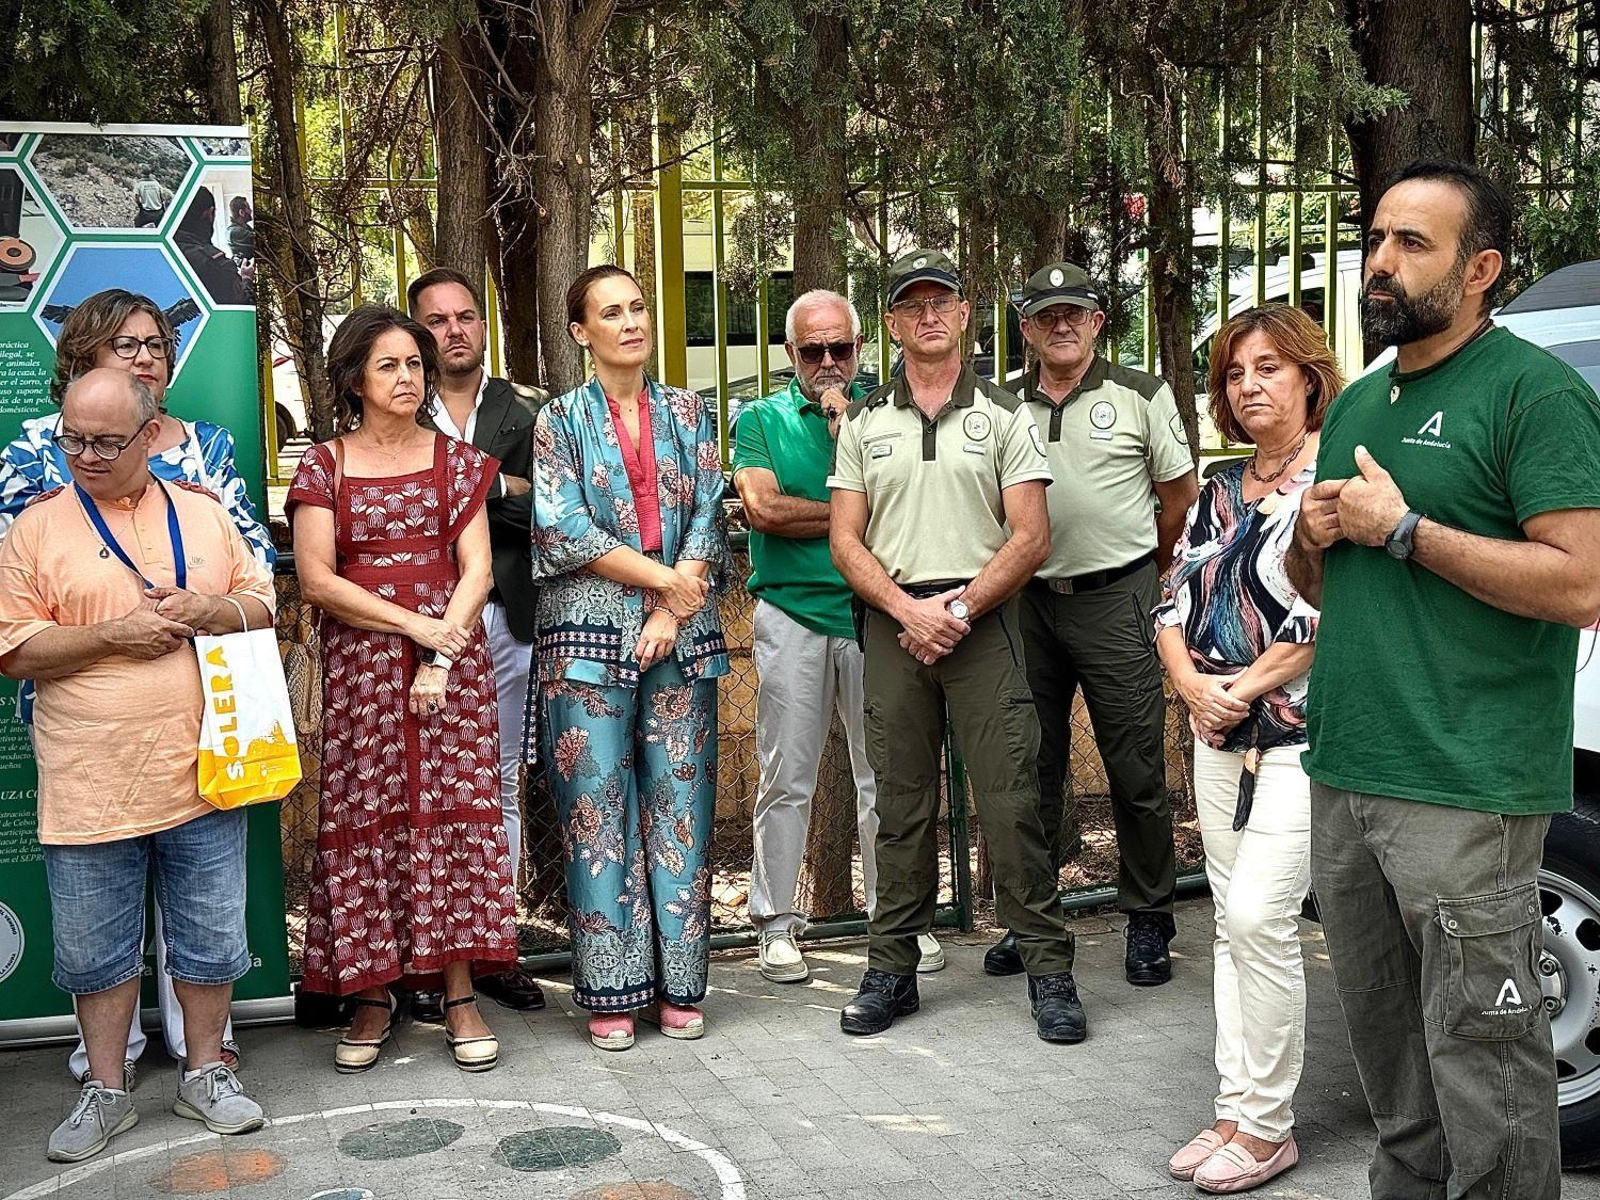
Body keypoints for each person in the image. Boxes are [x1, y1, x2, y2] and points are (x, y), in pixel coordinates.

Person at [1287, 159, 1600, 1198]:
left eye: (1412, 243)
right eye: (1375, 238)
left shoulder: (1534, 394)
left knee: (1486, 1067)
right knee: (1391, 1064)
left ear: (1481, 270)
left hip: (1467, 784)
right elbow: (1327, 588)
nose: (1379, 262)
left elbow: (1580, 584)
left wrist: (1405, 529)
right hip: (1348, 770)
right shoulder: (1357, 403)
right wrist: (1311, 537)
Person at [0, 287, 270, 1092]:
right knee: (97, 918)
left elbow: (254, 575)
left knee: (207, 913)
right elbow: (20, 608)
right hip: (86, 725)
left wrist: (209, 608)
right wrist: (114, 632)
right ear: (83, 356)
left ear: (147, 435)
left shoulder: (204, 468)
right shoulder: (36, 468)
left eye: (155, 343)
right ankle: (105, 1073)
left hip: (207, 722)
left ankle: (206, 1060)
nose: (146, 354)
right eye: (126, 343)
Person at [829, 248, 1084, 1043]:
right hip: (894, 622)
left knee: (1011, 803)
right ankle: (891, 971)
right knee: (900, 807)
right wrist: (908, 610)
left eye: (942, 300)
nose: (930, 314)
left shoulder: (1005, 414)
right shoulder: (864, 421)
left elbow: (1031, 535)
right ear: (893, 323)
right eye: (913, 304)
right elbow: (845, 540)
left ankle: (1049, 972)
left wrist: (960, 608)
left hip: (983, 623)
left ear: (966, 313)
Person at [288, 305, 517, 1074]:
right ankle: (373, 996)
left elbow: (476, 571)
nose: (407, 376)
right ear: (354, 378)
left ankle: (459, 995)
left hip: (451, 671)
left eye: (415, 363)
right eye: (388, 364)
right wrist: (413, 626)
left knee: (453, 818)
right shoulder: (324, 466)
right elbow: (318, 580)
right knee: (368, 818)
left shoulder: (457, 462)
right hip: (363, 669)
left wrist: (440, 653)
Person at [1154, 304, 1339, 1194]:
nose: (1249, 385)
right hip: (1216, 730)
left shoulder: (1333, 482)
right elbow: (1171, 599)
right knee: (1230, 924)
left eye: (1269, 367)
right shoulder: (1221, 488)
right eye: (1235, 373)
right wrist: (1192, 688)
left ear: (1309, 377)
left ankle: (1269, 1128)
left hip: (1297, 732)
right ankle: (1235, 1110)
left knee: (1264, 918)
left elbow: (1323, 615)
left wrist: (1238, 689)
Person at [530, 264, 728, 1052]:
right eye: (610, 313)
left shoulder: (689, 411)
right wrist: (664, 584)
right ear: (581, 332)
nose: (631, 322)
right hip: (587, 640)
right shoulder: (558, 419)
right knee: (596, 817)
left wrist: (674, 606)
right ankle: (612, 990)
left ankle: (679, 987)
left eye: (638, 307)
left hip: (682, 635)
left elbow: (710, 510)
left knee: (682, 812)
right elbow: (564, 529)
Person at [996, 261, 1198, 987]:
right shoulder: (999, 403)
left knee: (1135, 767)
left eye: (1074, 312)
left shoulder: (1141, 394)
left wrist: (1149, 574)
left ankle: (1149, 917)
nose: (1061, 325)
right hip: (1025, 603)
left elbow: (1180, 498)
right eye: (1046, 314)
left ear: (1097, 322)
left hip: (1118, 598)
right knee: (1029, 769)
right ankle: (1033, 918)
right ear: (1025, 328)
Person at [734, 289, 943, 983]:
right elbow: (764, 509)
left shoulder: (886, 416)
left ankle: (898, 921)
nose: (828, 362)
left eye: (841, 348)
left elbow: (914, 504)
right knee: (786, 775)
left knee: (884, 774)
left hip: (874, 613)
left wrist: (847, 435)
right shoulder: (760, 418)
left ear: (860, 348)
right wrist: (855, 513)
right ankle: (775, 925)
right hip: (791, 614)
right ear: (790, 353)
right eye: (812, 350)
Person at [407, 265, 550, 1020]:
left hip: (511, 616)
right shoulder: (399, 404)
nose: (454, 330)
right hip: (427, 624)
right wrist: (501, 486)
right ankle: (431, 957)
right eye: (437, 320)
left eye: (465, 316)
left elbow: (553, 508)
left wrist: (470, 490)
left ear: (482, 324)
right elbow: (405, 507)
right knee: (429, 785)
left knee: (500, 785)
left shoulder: (529, 406)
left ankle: (498, 948)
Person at [174, 188, 251, 306]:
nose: (251, 211)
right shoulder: (215, 264)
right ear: (209, 213)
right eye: (248, 208)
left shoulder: (173, 249)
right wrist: (246, 278)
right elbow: (243, 305)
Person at [226, 196, 254, 262]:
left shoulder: (244, 227)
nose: (251, 211)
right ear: (241, 212)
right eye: (248, 208)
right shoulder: (235, 231)